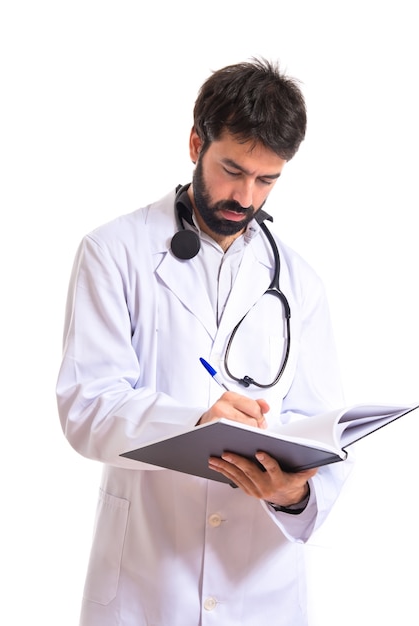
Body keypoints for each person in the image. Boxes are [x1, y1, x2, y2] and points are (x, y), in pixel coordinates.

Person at [56, 58, 351, 626]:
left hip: (260, 584)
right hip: (148, 579)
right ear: (196, 142)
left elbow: (324, 424)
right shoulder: (113, 252)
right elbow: (85, 406)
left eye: (266, 180)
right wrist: (192, 425)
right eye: (232, 170)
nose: (245, 196)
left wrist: (292, 495)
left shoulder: (298, 282)